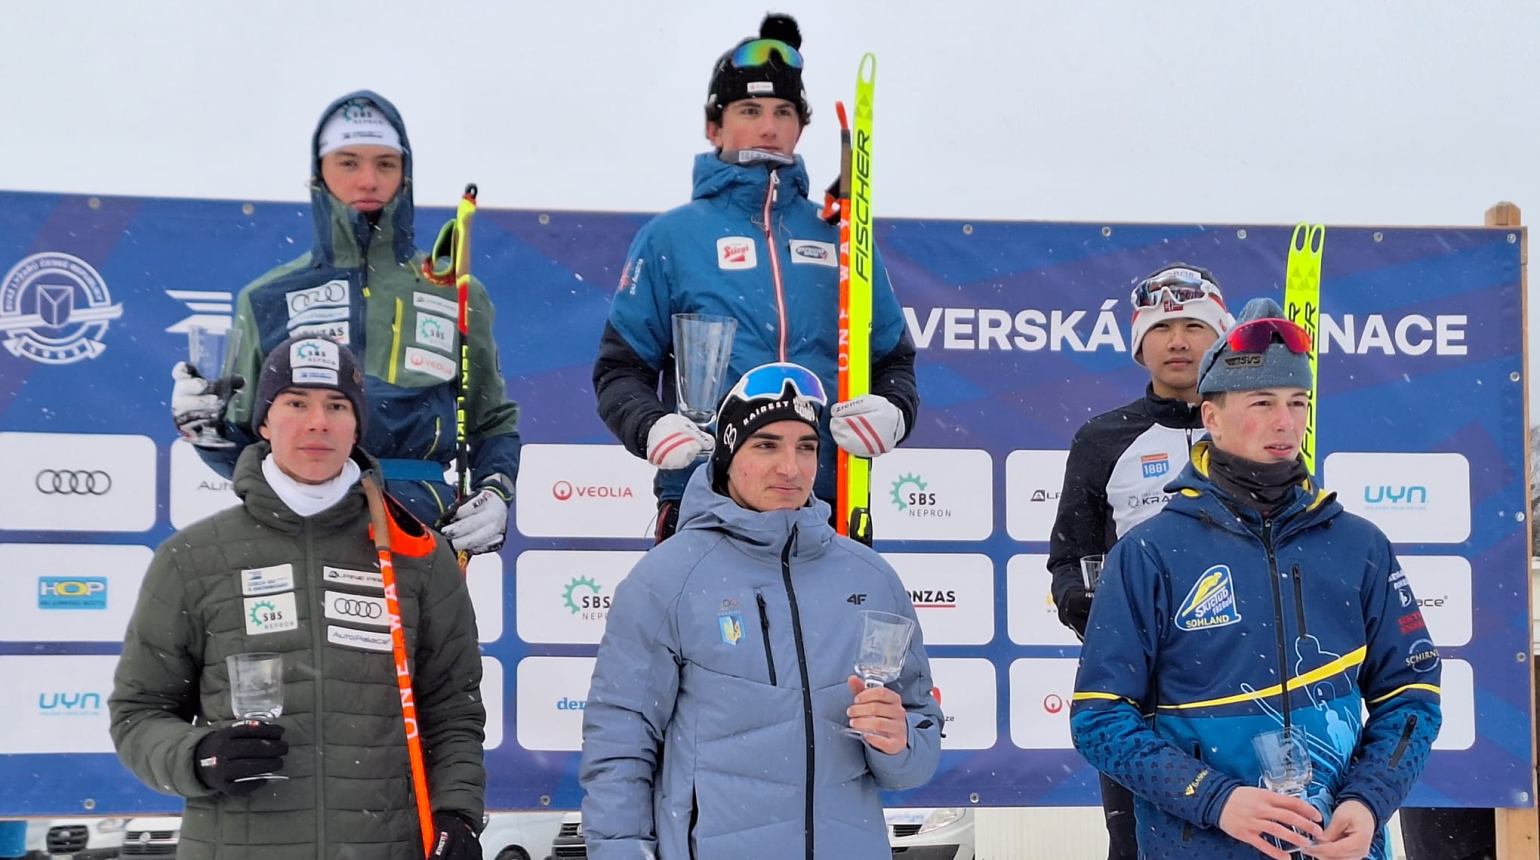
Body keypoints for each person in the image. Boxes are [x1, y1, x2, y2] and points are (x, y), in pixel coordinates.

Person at [1071, 298, 1443, 860]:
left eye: (1298, 402)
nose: (1284, 422)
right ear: (1212, 417)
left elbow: (1412, 696)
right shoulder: (1148, 552)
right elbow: (1099, 718)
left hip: (1336, 847)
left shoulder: (1360, 545)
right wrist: (1214, 799)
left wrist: (1369, 800)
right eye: (1262, 402)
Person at [113, 336, 487, 860]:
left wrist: (457, 815)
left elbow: (453, 710)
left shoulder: (418, 554)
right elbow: (138, 714)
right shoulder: (192, 557)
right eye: (296, 403)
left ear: (357, 426)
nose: (318, 423)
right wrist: (198, 757)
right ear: (264, 423)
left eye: (337, 406)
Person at [579, 362, 942, 860]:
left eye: (806, 447)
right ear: (729, 454)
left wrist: (896, 742)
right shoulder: (666, 579)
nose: (789, 468)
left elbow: (917, 746)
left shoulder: (870, 577)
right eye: (766, 445)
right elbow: (619, 747)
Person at [591, 13, 919, 543]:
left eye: (783, 112)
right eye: (749, 110)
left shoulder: (843, 235)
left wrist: (894, 412)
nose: (768, 127)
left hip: (826, 497)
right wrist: (651, 426)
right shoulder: (671, 238)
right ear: (714, 126)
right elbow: (619, 372)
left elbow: (892, 360)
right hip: (706, 497)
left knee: (827, 630)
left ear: (801, 127)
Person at [170, 90, 520, 556]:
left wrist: (495, 493)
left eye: (386, 163)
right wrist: (204, 430)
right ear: (320, 173)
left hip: (421, 531)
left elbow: (490, 421)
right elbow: (244, 447)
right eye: (349, 162)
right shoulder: (267, 297)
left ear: (406, 172)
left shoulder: (454, 291)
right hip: (299, 526)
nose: (369, 180)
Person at [1047, 262, 1233, 859]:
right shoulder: (1103, 437)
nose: (1177, 341)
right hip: (1141, 689)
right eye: (1161, 327)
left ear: (1220, 336)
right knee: (1138, 841)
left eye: (1193, 326)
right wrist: (1095, 615)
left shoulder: (1249, 429)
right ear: (1139, 344)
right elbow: (1069, 560)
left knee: (1248, 830)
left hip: (1242, 674)